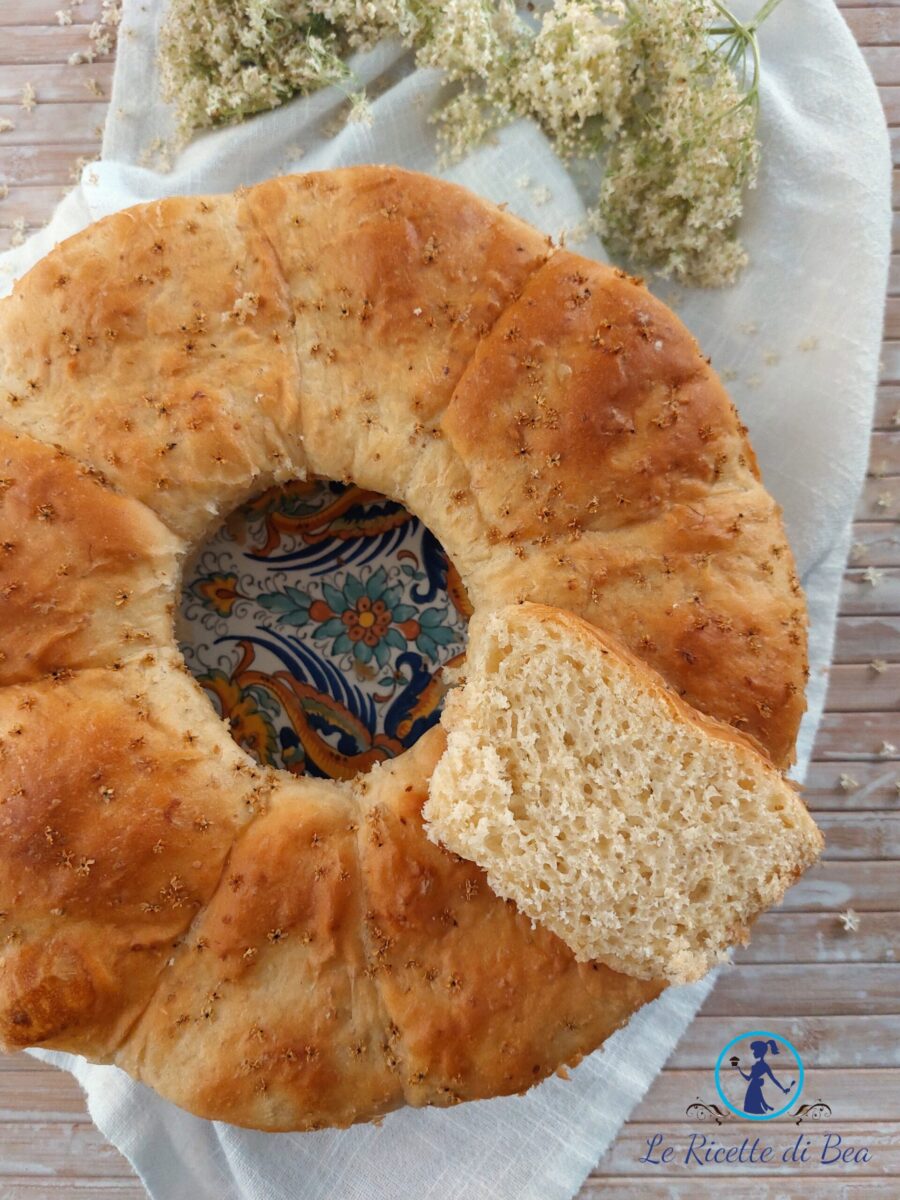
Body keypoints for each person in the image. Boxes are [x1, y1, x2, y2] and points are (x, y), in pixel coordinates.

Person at [734, 1039, 795, 1114]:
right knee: (754, 1108)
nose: (753, 1053)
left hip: (754, 1087)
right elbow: (748, 1078)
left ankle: (766, 1108)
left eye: (755, 1051)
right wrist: (739, 1070)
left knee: (755, 1109)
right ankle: (766, 1107)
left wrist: (782, 1089)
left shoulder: (764, 1066)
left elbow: (773, 1079)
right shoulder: (757, 1065)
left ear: (760, 1052)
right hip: (752, 1087)